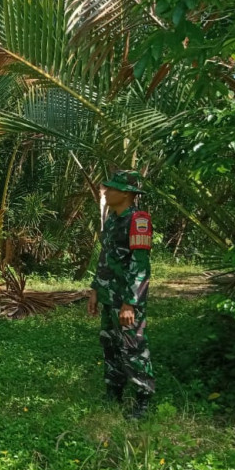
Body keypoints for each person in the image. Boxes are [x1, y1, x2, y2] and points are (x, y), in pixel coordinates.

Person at [87, 171, 154, 419]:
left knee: (133, 347)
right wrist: (95, 289)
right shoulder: (113, 219)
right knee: (110, 343)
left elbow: (140, 265)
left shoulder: (138, 220)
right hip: (109, 294)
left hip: (126, 298)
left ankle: (143, 400)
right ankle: (113, 391)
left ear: (126, 193)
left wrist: (130, 303)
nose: (106, 192)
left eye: (111, 188)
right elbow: (105, 257)